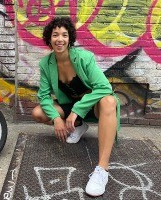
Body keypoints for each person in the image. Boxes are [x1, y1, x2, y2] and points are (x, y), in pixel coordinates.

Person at [32, 16, 120, 197]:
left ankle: (102, 169)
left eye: (64, 35)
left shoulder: (84, 58)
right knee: (38, 113)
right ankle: (79, 127)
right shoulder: (45, 64)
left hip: (92, 105)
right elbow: (43, 96)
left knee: (109, 101)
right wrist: (56, 119)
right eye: (55, 35)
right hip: (69, 107)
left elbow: (104, 87)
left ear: (70, 38)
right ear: (49, 38)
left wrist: (77, 111)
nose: (60, 39)